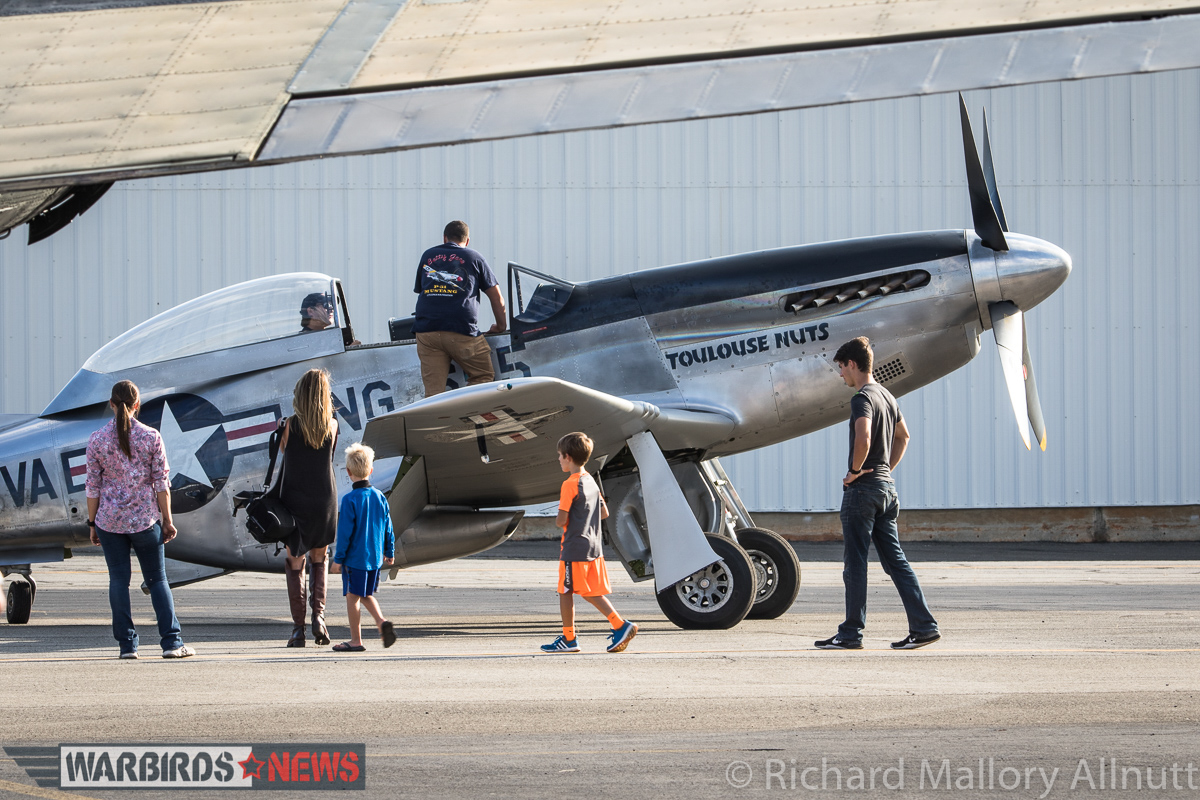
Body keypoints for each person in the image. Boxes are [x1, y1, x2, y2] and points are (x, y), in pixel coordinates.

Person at [815, 337, 940, 651]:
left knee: (855, 564)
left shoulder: (862, 398)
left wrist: (855, 471)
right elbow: (904, 436)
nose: (841, 374)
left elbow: (864, 436)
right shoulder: (888, 396)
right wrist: (886, 469)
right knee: (896, 562)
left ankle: (850, 633)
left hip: (863, 491)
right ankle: (924, 627)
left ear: (853, 364)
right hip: (886, 489)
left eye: (842, 368)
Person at [85, 380, 195, 659]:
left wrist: (91, 523)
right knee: (157, 579)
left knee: (118, 581)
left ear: (111, 404)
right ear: (137, 405)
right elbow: (162, 483)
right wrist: (167, 520)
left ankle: (127, 647)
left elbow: (92, 487)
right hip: (145, 521)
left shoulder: (97, 440)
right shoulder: (152, 437)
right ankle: (171, 643)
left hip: (109, 521)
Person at [540, 432, 637, 654]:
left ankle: (577, 636)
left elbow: (561, 520)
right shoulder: (590, 480)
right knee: (585, 590)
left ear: (568, 456)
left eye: (559, 456)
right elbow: (604, 512)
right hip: (593, 546)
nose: (558, 459)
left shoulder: (570, 484)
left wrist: (562, 516)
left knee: (566, 591)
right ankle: (613, 626)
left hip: (574, 546)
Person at [413, 220, 507, 397]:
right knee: (483, 376)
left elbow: (421, 290)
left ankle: (438, 423)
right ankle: (471, 418)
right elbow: (497, 298)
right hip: (461, 330)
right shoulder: (475, 257)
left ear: (444, 238)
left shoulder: (428, 255)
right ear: (467, 240)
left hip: (427, 332)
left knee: (433, 394)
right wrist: (501, 327)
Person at [280, 368, 339, 647]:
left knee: (295, 562)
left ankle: (297, 630)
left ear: (300, 396)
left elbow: (283, 452)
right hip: (325, 499)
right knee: (320, 558)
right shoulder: (333, 425)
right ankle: (320, 618)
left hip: (296, 501)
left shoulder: (290, 425)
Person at [329, 443, 396, 652]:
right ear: (371, 470)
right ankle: (380, 622)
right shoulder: (379, 497)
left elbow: (346, 533)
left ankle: (357, 639)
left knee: (352, 598)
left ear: (348, 472)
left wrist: (338, 559)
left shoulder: (349, 500)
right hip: (374, 558)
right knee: (365, 594)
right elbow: (388, 527)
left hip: (354, 559)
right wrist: (389, 551)